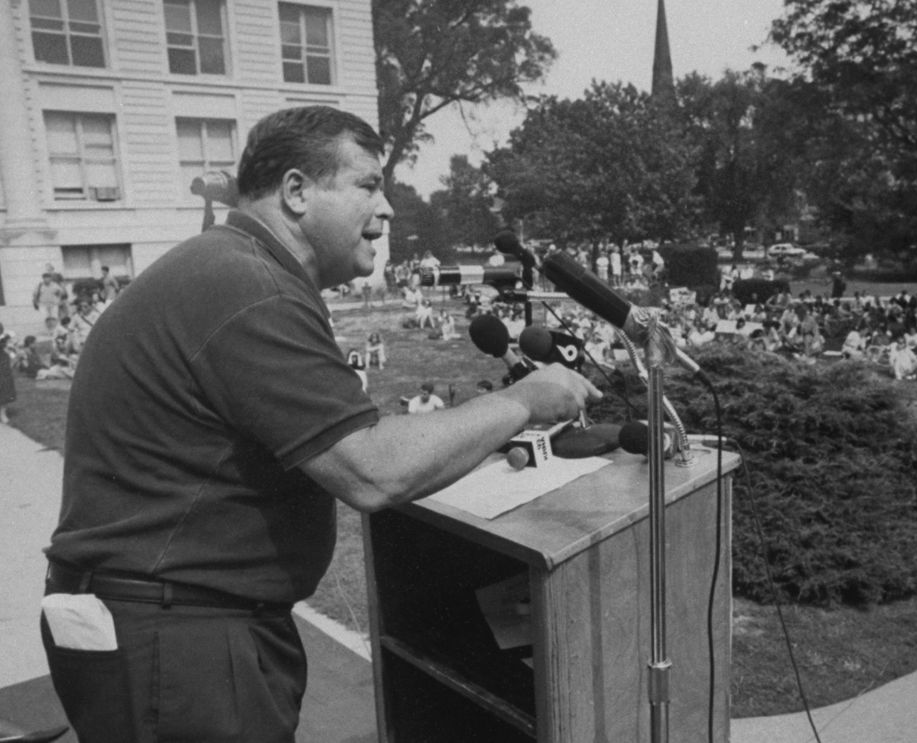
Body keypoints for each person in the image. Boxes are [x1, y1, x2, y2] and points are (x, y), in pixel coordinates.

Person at [40, 105, 599, 743]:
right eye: (367, 184)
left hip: (165, 624)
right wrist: (524, 400)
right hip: (180, 637)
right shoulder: (251, 288)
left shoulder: (231, 267)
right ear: (297, 191)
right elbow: (371, 470)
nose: (387, 209)